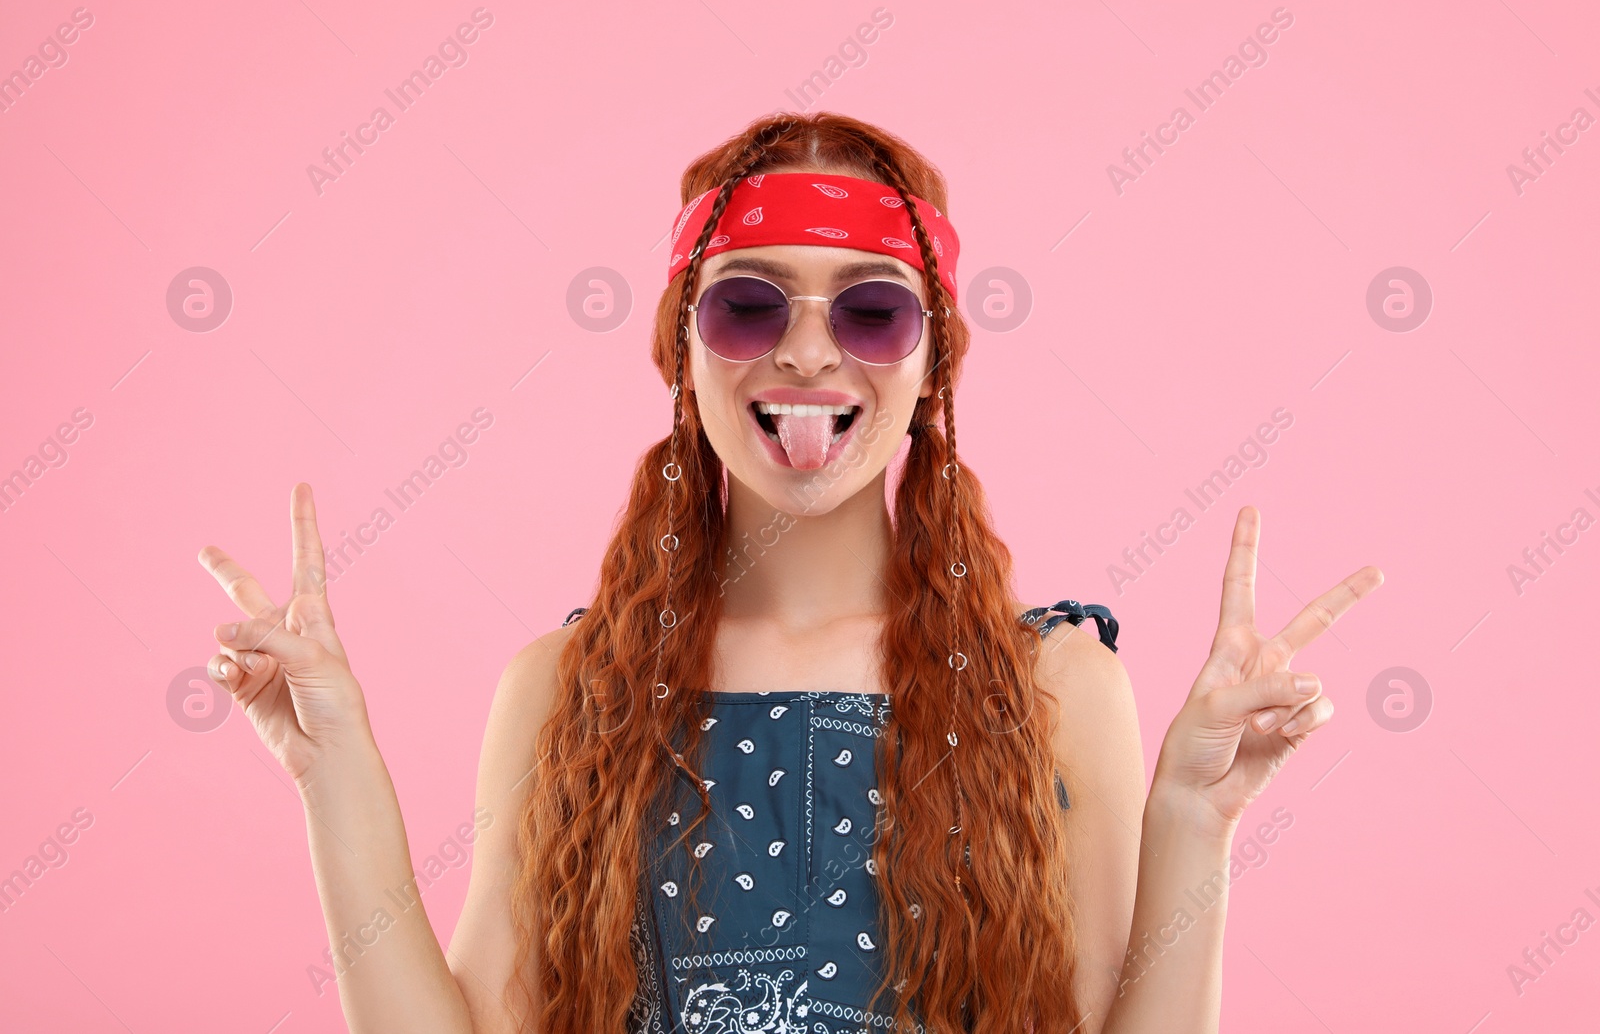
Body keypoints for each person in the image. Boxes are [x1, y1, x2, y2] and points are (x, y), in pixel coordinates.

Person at [198, 112, 1382, 1034]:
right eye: (750, 305)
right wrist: (333, 765)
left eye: (870, 311)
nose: (808, 348)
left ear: (931, 367)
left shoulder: (1055, 683)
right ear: (681, 350)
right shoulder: (568, 684)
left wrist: (1195, 814)